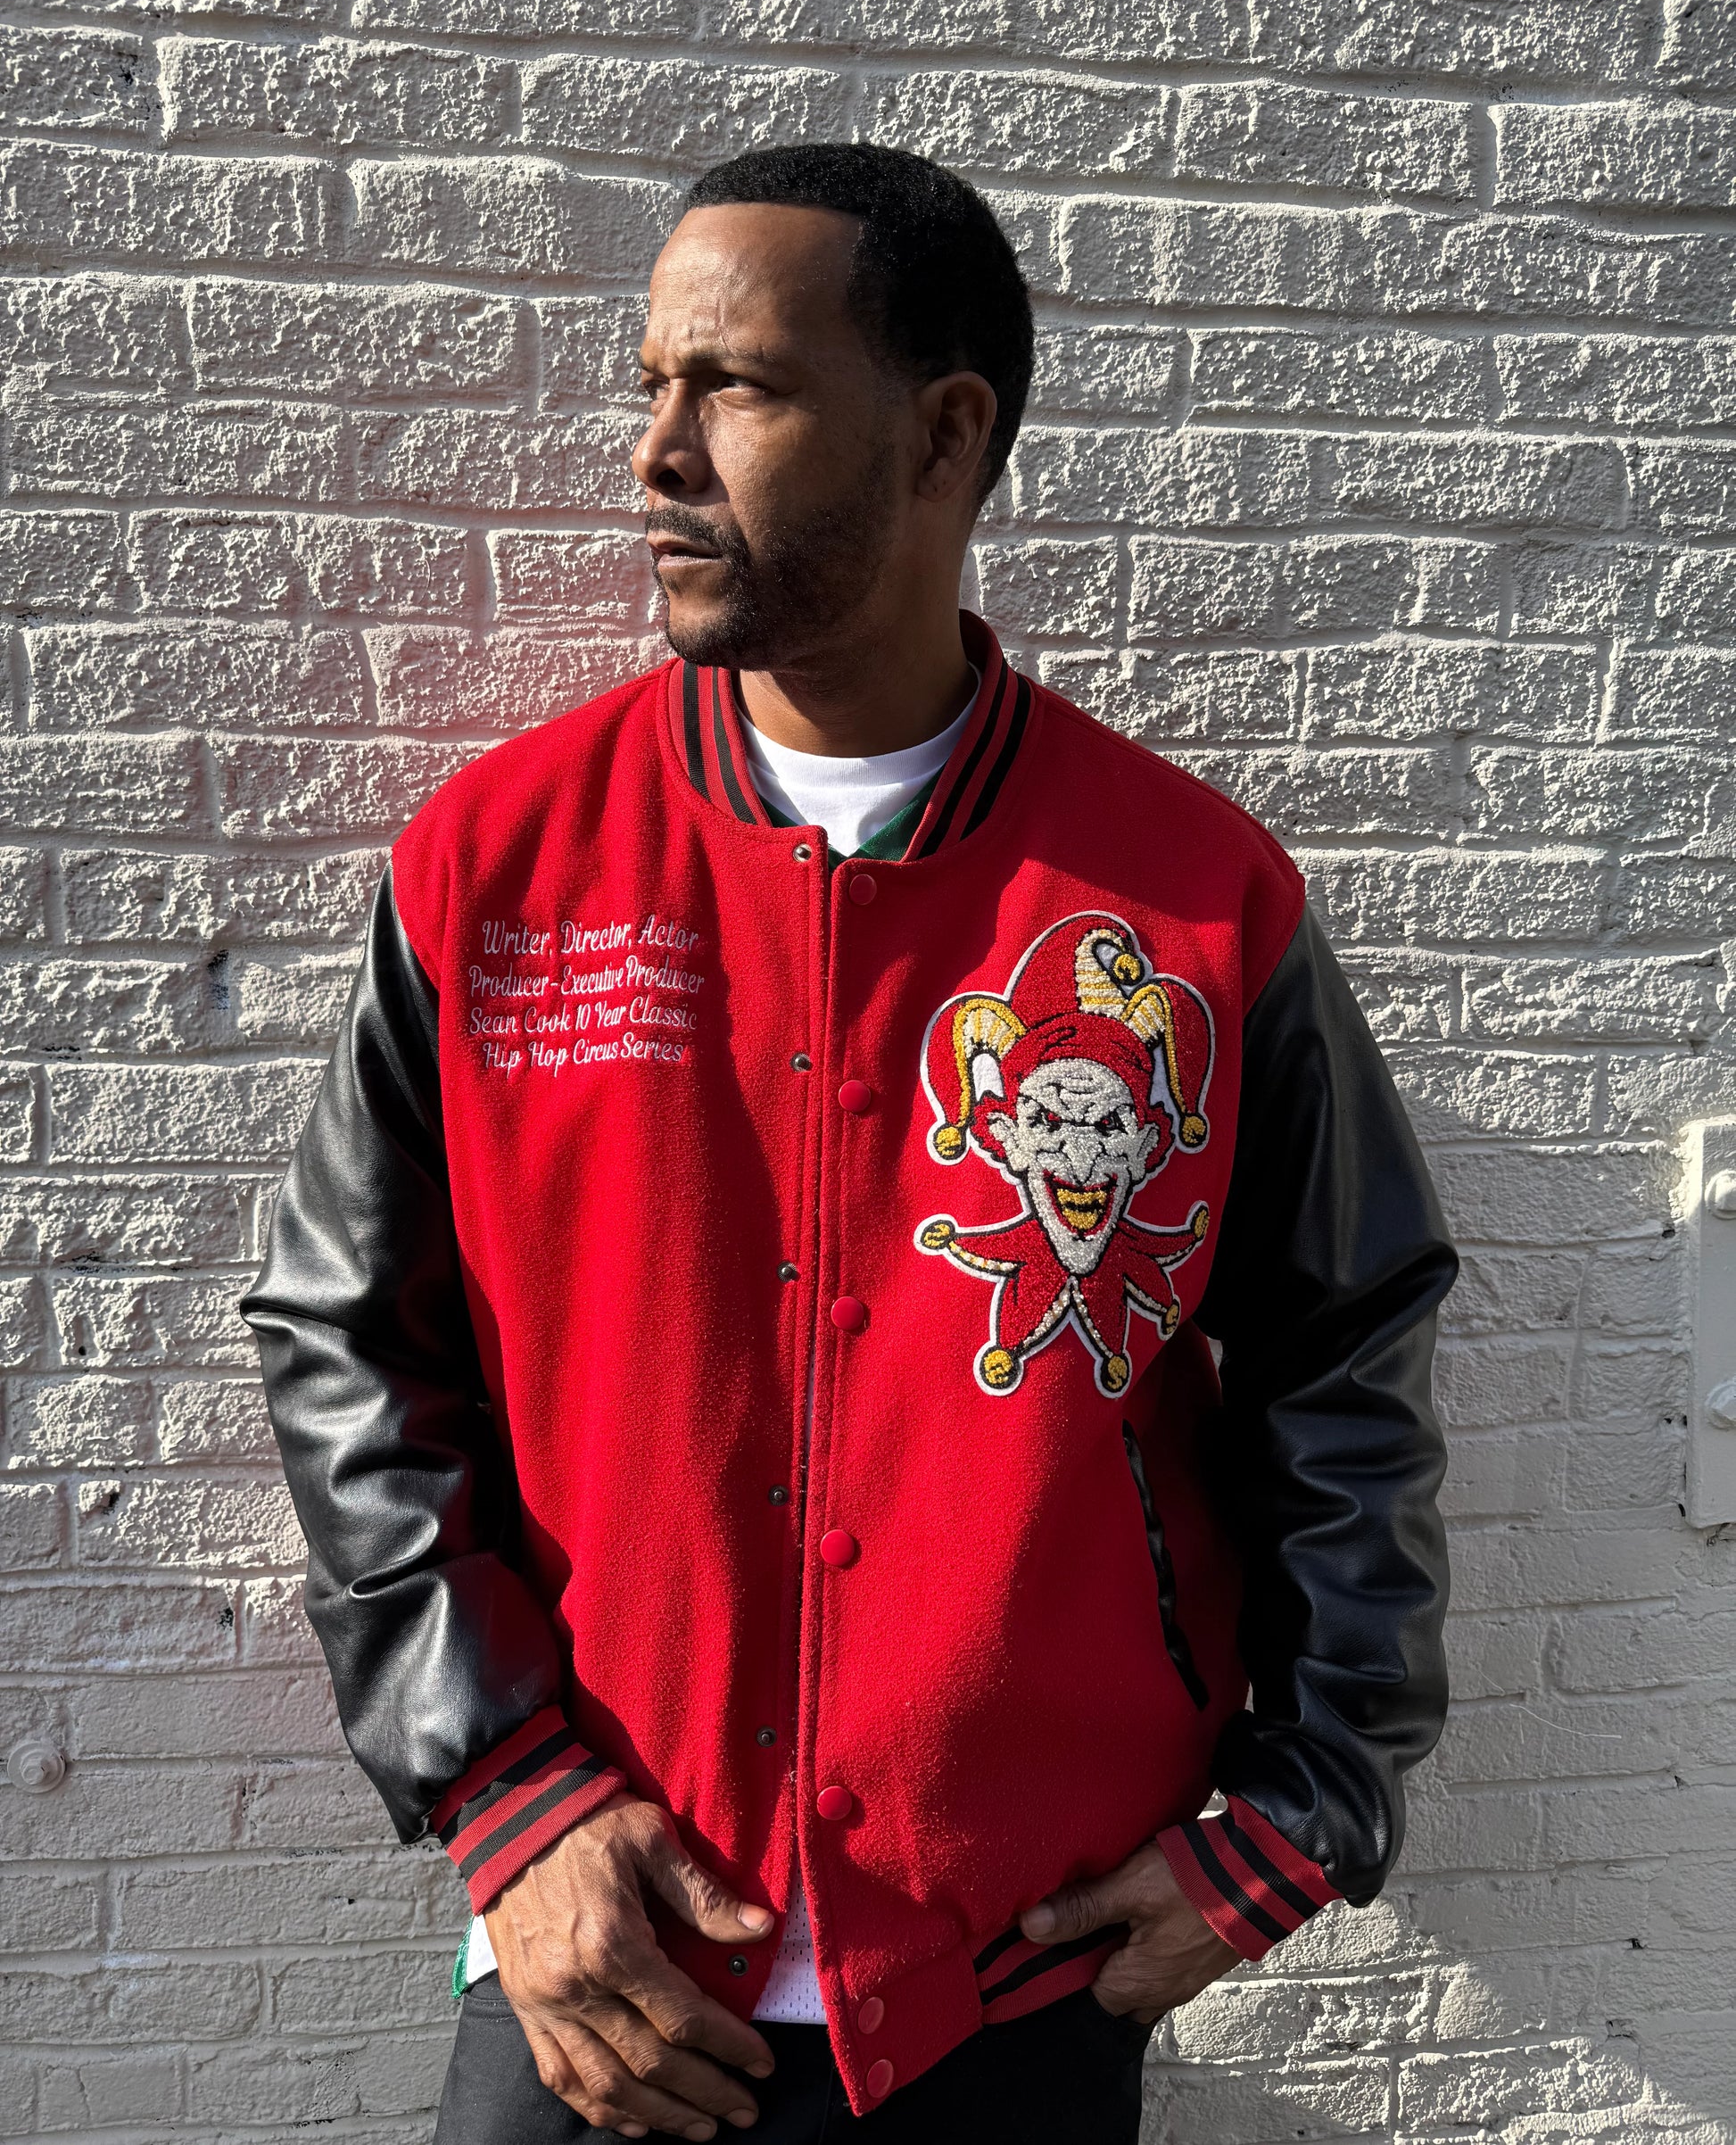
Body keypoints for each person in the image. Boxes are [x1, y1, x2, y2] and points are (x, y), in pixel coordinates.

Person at [243, 142, 1456, 2145]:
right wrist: (500, 1788)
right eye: (651, 384)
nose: (656, 453)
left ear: (944, 432)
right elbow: (344, 1335)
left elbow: (1345, 1349)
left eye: (733, 386)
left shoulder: (1188, 901)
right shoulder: (497, 867)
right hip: (608, 1961)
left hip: (1012, 1978)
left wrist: (1303, 1806)